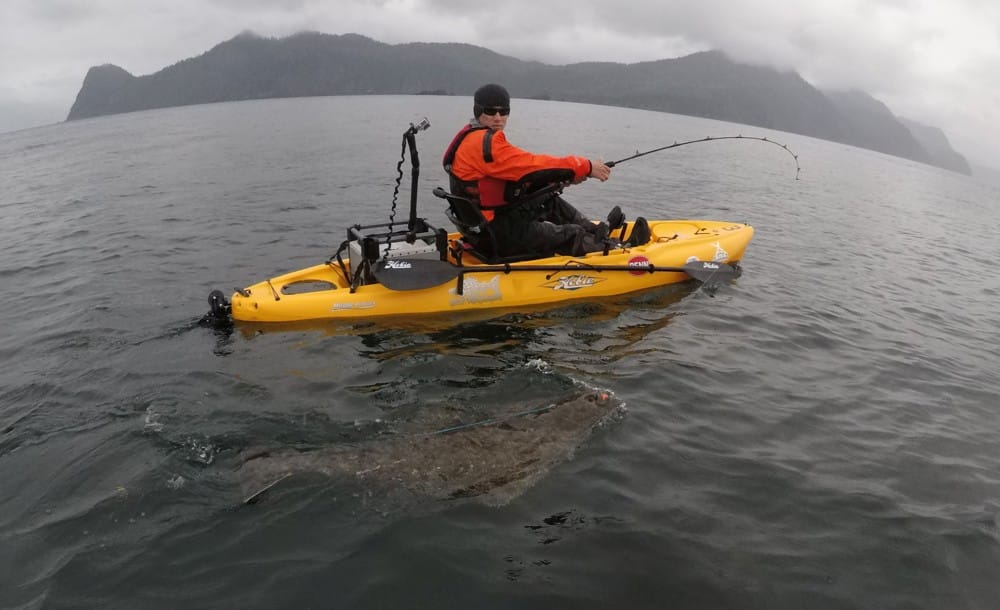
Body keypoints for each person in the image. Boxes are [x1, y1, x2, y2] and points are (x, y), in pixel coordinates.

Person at [442, 83, 649, 258]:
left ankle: (596, 234)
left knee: (548, 199)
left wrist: (566, 177)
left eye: (504, 111)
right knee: (571, 233)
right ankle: (619, 251)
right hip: (499, 235)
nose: (498, 117)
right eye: (491, 111)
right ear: (478, 111)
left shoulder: (470, 137)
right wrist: (585, 167)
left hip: (483, 228)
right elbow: (532, 165)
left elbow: (515, 175)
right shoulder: (486, 145)